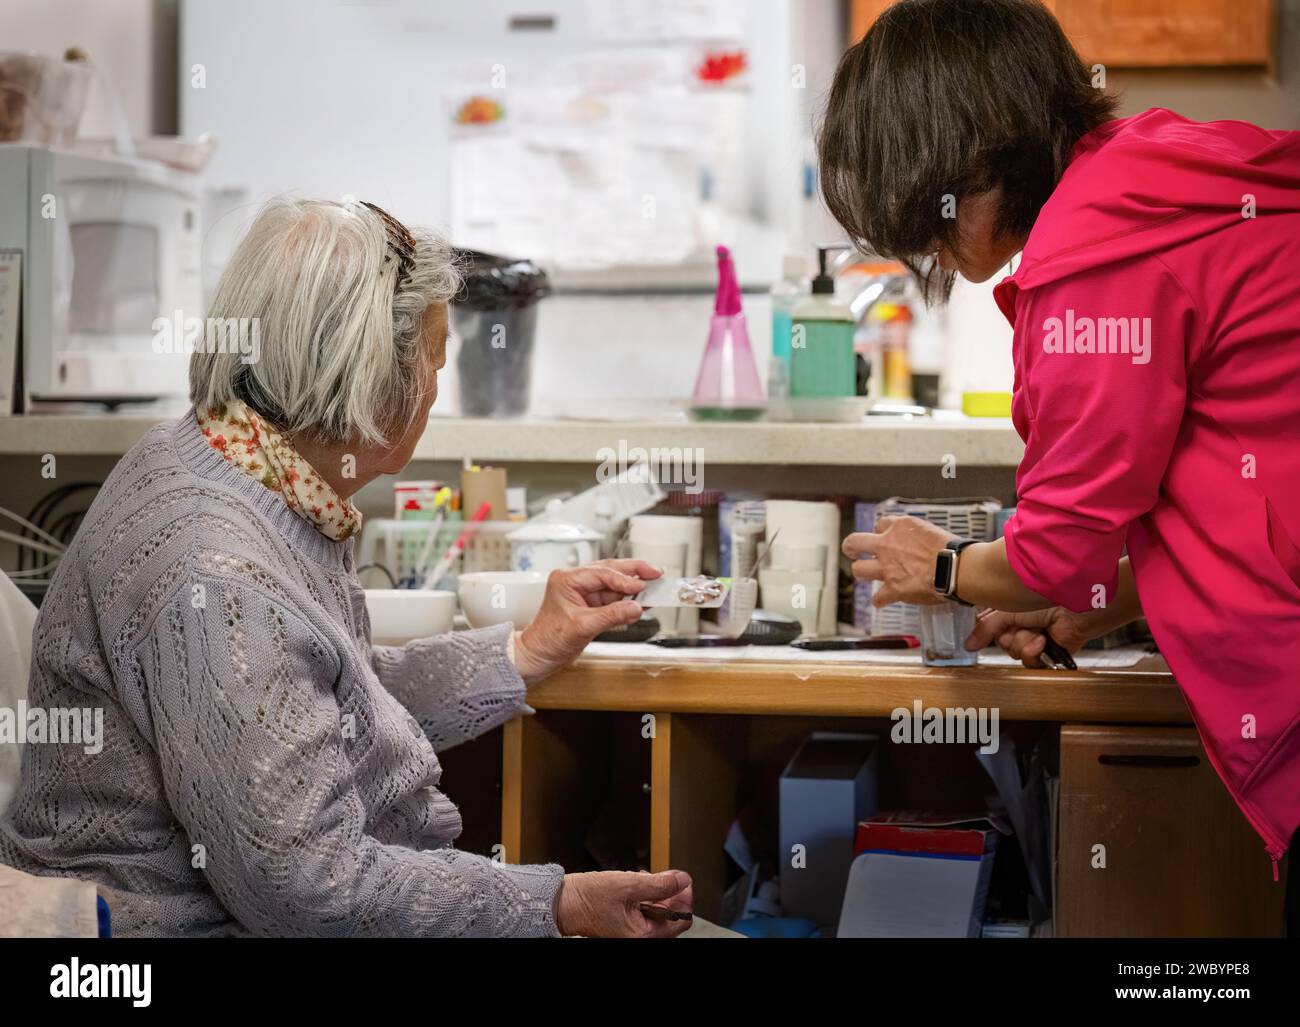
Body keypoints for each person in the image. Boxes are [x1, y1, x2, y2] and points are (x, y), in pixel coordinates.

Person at [0, 198, 692, 937]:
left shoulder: (230, 463)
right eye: (433, 362)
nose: (433, 387)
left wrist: (520, 652)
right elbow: (309, 891)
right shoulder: (215, 571)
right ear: (370, 385)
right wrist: (553, 902)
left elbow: (323, 708)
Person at [820, 0, 1300, 877]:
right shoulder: (1156, 173)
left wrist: (942, 568)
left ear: (979, 152)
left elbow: (1058, 546)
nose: (928, 237)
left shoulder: (1094, 258)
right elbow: (1225, 482)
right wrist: (1108, 599)